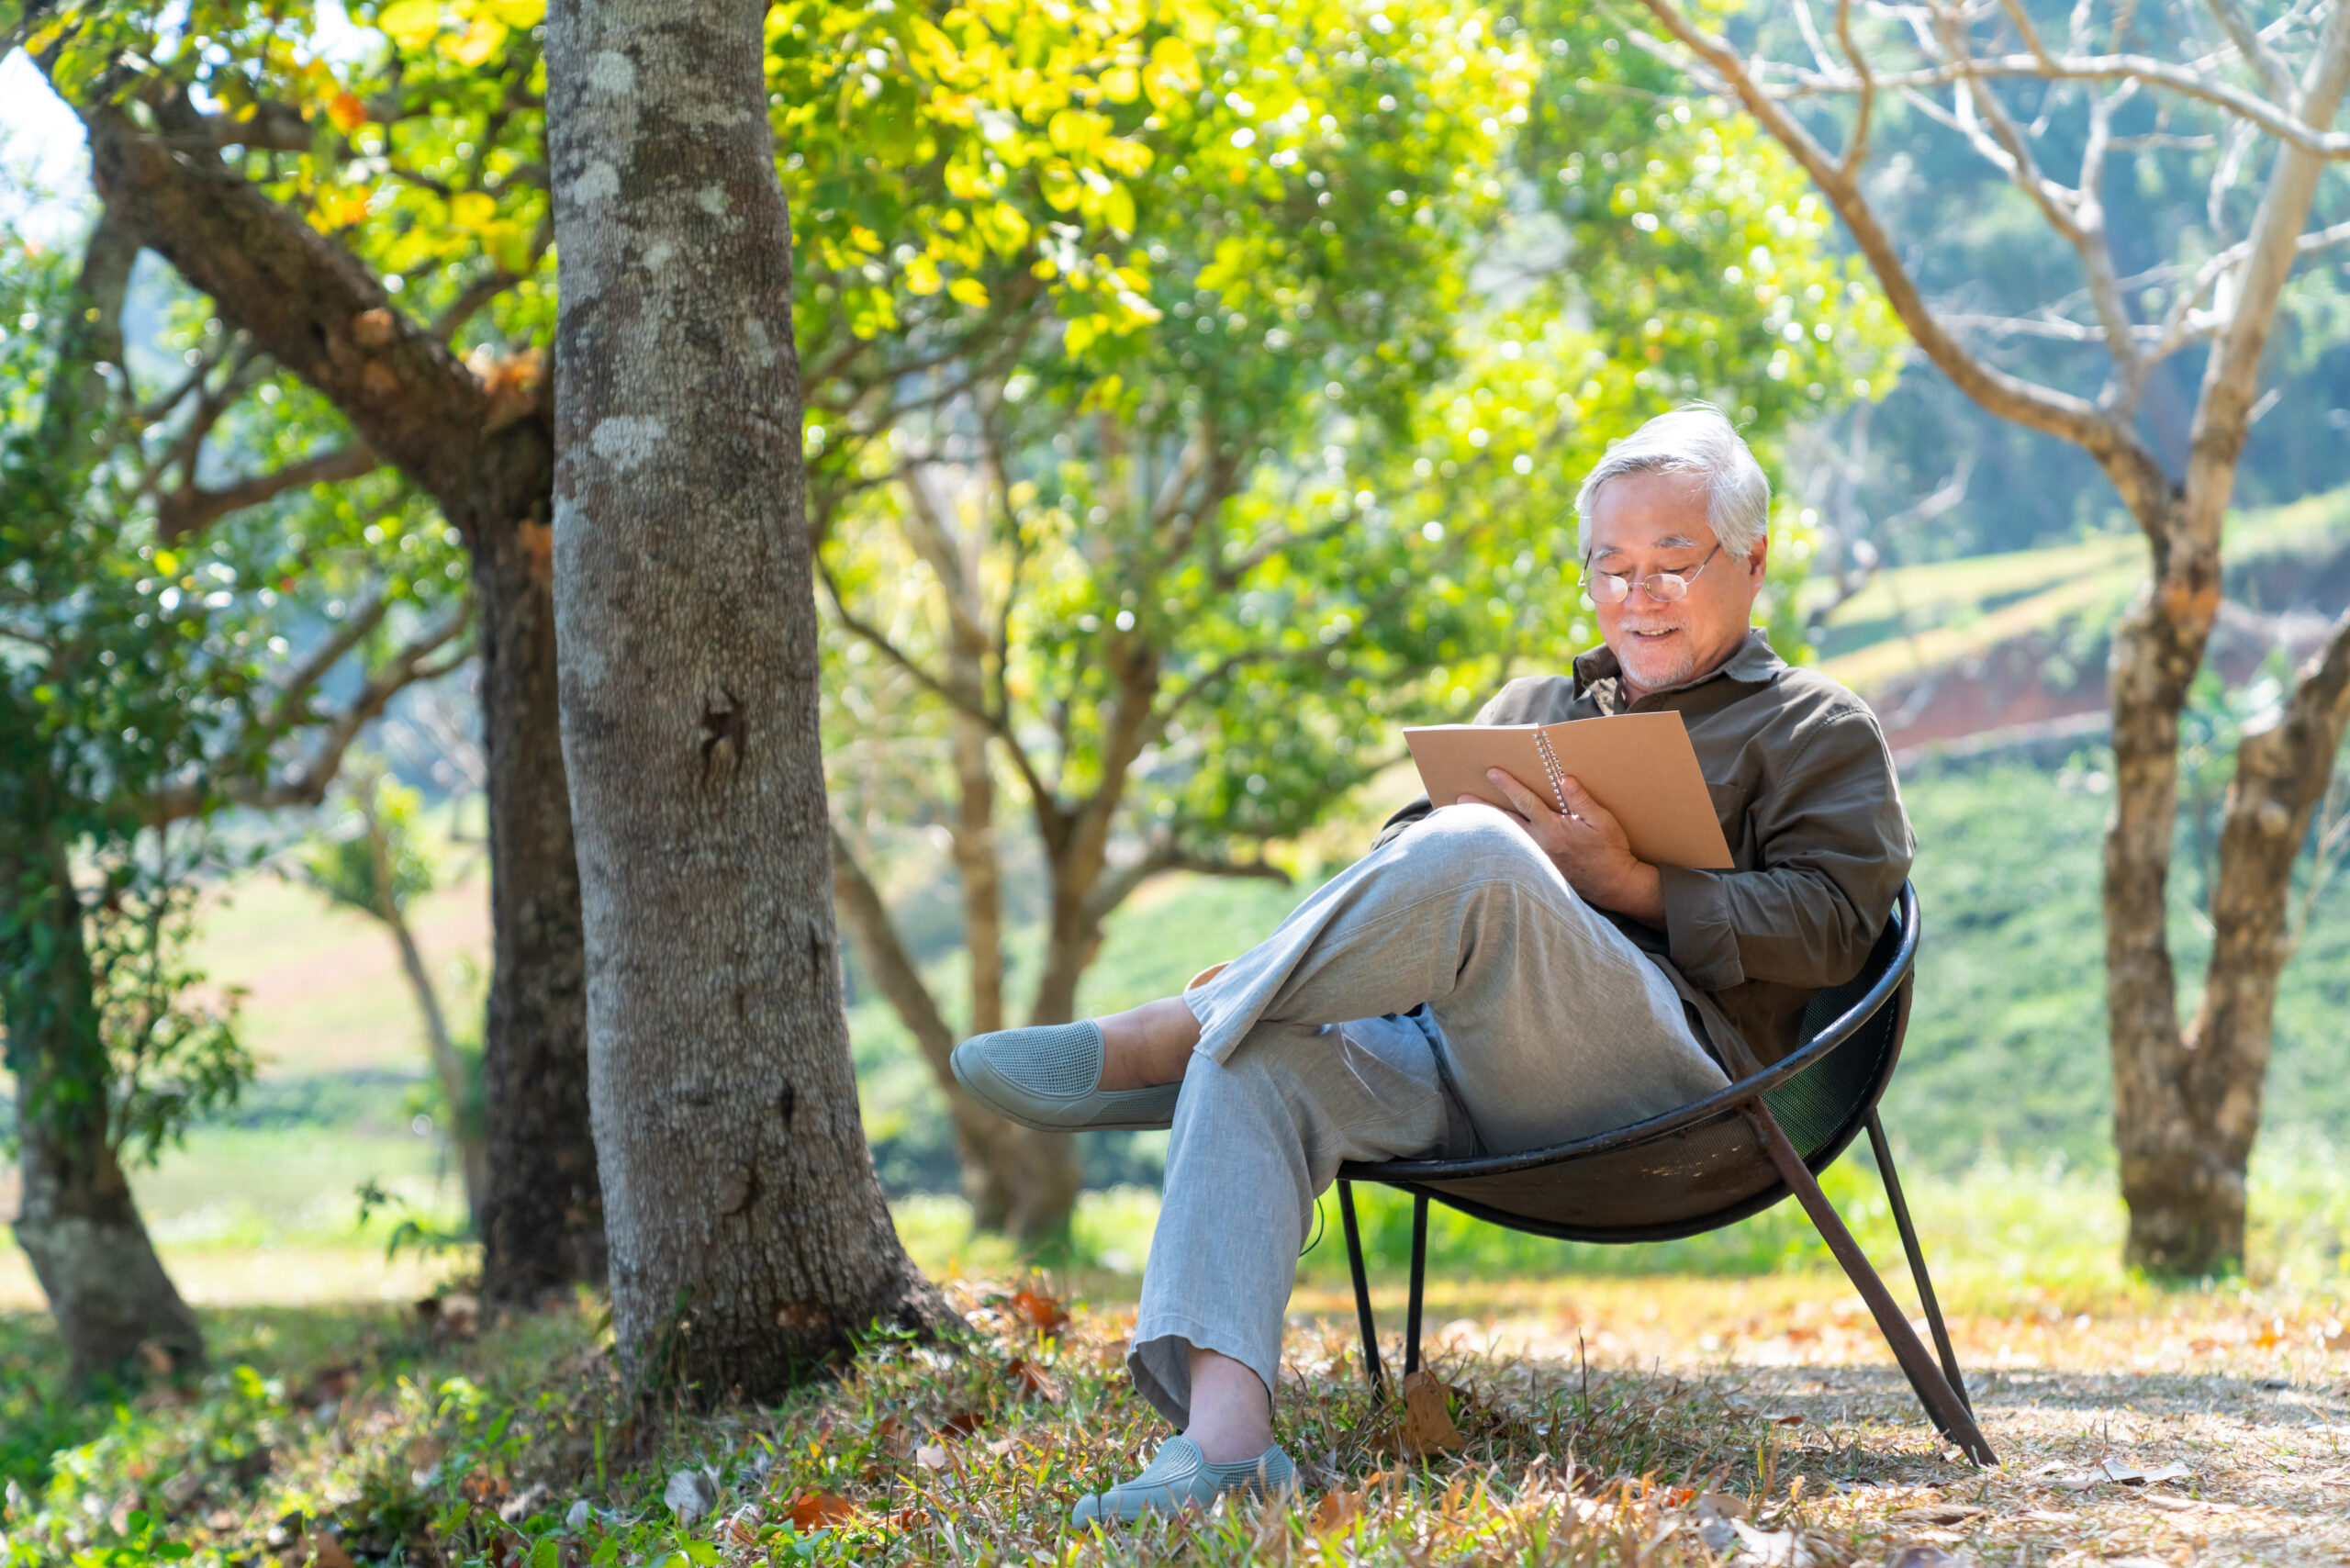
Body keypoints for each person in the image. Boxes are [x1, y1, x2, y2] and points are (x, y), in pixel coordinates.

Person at [950, 403, 1913, 1526]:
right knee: (1259, 1052)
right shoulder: (1533, 710)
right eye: (1610, 566)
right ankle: (1222, 1449)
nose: (1636, 594)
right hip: (1460, 1065)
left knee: (1473, 851)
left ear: (1750, 562)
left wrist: (1629, 883)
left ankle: (1177, 1024)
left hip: (1679, 1095)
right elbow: (1405, 878)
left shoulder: (1814, 726)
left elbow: (1838, 928)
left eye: (1672, 562)